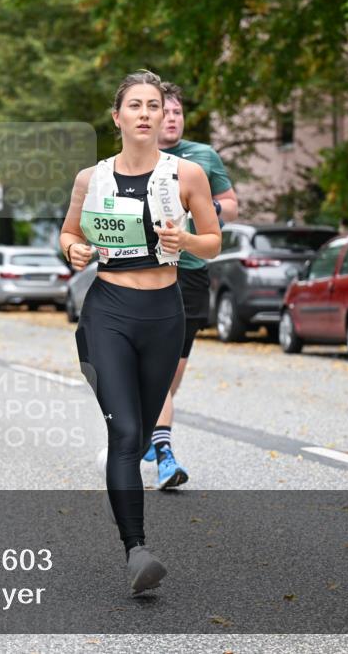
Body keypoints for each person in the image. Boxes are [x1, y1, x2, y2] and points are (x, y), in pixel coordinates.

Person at [59, 70, 221, 594]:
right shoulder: (91, 178)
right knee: (126, 435)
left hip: (164, 314)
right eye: (136, 104)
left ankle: (135, 540)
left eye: (154, 104)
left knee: (146, 426)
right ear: (118, 116)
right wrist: (74, 250)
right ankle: (137, 552)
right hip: (107, 310)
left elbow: (214, 241)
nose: (147, 113)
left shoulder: (187, 175)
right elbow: (69, 232)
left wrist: (186, 239)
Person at [139, 81, 241, 489]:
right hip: (153, 272)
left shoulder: (203, 158)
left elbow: (232, 205)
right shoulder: (139, 159)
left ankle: (151, 425)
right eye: (167, 112)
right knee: (161, 367)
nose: (174, 119)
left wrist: (207, 206)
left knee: (174, 372)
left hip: (194, 272)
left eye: (179, 112)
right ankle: (165, 454)